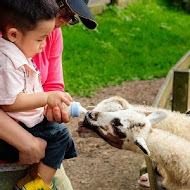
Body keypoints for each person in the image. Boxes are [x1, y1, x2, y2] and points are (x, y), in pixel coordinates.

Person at [0, 0, 97, 189]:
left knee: (60, 137)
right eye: (62, 8)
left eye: (71, 16)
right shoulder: (8, 49)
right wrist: (24, 141)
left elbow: (52, 85)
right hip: (10, 145)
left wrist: (52, 106)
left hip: (35, 139)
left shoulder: (49, 33)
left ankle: (40, 182)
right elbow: (11, 101)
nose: (62, 19)